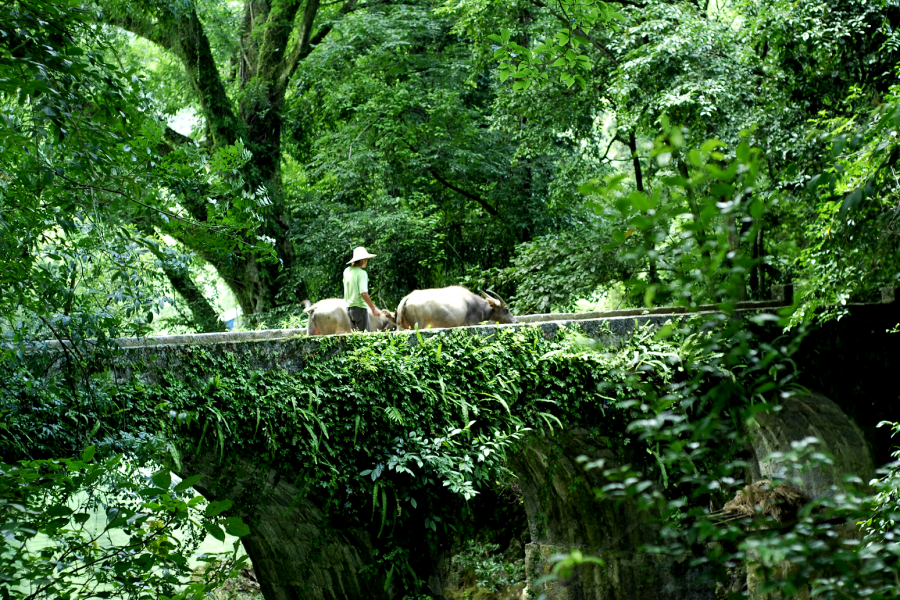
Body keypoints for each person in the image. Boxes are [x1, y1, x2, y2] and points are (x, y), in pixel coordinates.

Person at [343, 247, 382, 331]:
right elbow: (363, 293)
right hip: (360, 309)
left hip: (348, 310)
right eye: (366, 259)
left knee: (355, 339)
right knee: (364, 338)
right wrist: (373, 308)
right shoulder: (362, 273)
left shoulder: (346, 271)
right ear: (363, 260)